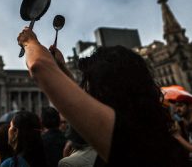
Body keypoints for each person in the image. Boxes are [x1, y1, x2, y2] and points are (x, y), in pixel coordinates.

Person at [17, 28, 188, 167]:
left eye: (91, 83)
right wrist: (61, 67)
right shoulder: (156, 135)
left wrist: (29, 42)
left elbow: (39, 66)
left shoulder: (127, 139)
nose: (86, 92)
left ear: (106, 91)